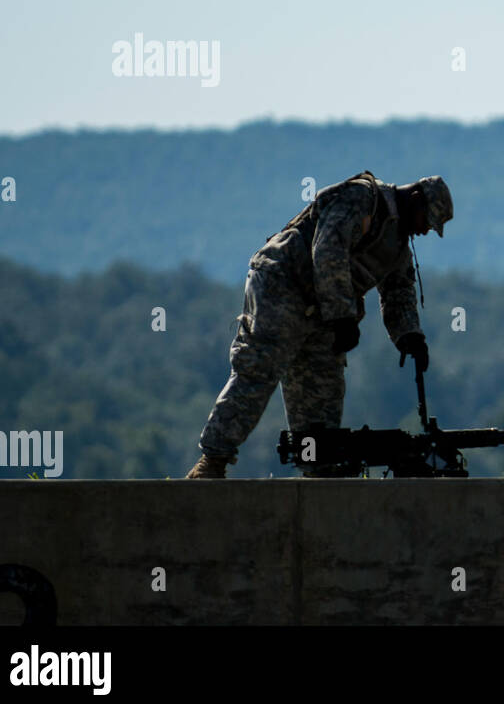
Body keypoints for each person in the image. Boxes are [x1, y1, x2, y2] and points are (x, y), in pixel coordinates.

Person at [185, 171, 453, 478]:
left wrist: (410, 336)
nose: (424, 231)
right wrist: (342, 315)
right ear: (415, 198)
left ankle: (317, 468)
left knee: (319, 393)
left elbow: (399, 293)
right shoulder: (363, 198)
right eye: (426, 221)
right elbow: (328, 250)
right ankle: (213, 461)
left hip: (325, 312)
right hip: (284, 286)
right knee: (259, 371)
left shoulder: (398, 245)